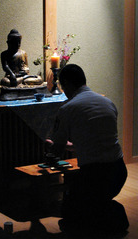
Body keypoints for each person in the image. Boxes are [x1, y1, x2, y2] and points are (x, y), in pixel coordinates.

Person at [46, 64, 129, 236]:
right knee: (95, 203)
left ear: (67, 84)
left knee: (70, 212)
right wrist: (69, 146)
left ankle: (109, 217)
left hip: (94, 176)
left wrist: (50, 145)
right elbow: (95, 143)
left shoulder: (68, 109)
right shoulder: (108, 103)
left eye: (62, 86)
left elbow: (57, 149)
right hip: (119, 172)